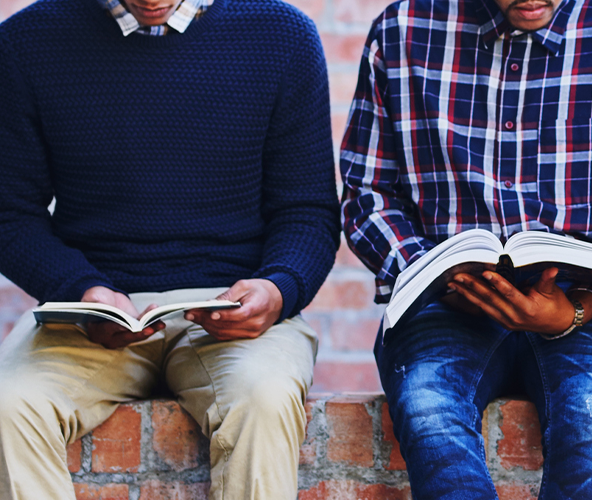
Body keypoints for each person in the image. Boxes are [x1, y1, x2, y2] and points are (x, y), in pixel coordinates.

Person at [0, 0, 338, 496]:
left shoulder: (282, 36)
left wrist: (279, 286)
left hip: (232, 308)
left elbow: (307, 210)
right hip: (97, 309)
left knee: (263, 399)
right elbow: (11, 213)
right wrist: (80, 289)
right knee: (7, 403)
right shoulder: (26, 42)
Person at [338, 0, 592, 495]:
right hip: (445, 302)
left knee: (591, 422)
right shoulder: (402, 29)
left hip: (590, 304)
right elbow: (368, 194)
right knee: (429, 410)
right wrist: (429, 274)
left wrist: (577, 308)